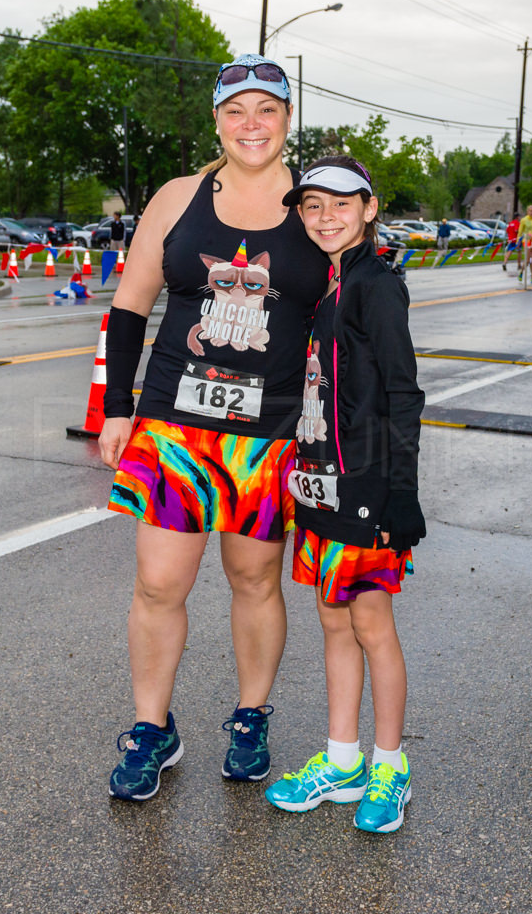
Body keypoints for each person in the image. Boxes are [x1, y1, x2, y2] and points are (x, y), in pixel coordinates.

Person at [98, 54, 331, 802]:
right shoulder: (177, 197)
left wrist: (339, 433)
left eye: (266, 111)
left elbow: (351, 319)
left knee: (255, 577)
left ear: (288, 119)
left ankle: (250, 718)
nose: (251, 125)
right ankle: (150, 729)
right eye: (236, 111)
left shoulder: (316, 208)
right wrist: (116, 409)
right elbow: (131, 306)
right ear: (217, 121)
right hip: (174, 427)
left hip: (271, 435)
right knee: (159, 581)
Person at [263, 156, 425, 835]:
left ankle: (391, 767)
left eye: (341, 204)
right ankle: (342, 760)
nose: (326, 217)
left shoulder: (376, 285)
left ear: (369, 207)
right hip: (320, 482)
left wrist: (400, 495)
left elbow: (402, 391)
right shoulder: (327, 284)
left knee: (370, 626)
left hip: (365, 486)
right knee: (334, 622)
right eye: (312, 206)